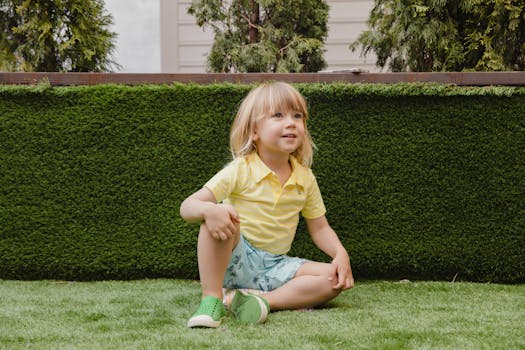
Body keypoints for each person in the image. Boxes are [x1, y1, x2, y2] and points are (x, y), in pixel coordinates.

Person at [180, 81, 354, 328]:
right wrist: (210, 210)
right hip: (234, 256)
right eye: (278, 115)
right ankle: (212, 299)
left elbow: (320, 228)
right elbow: (188, 206)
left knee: (333, 278)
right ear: (254, 131)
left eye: (297, 116)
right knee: (221, 215)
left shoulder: (305, 177)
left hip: (276, 266)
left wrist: (339, 253)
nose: (291, 122)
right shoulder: (241, 169)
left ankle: (260, 301)